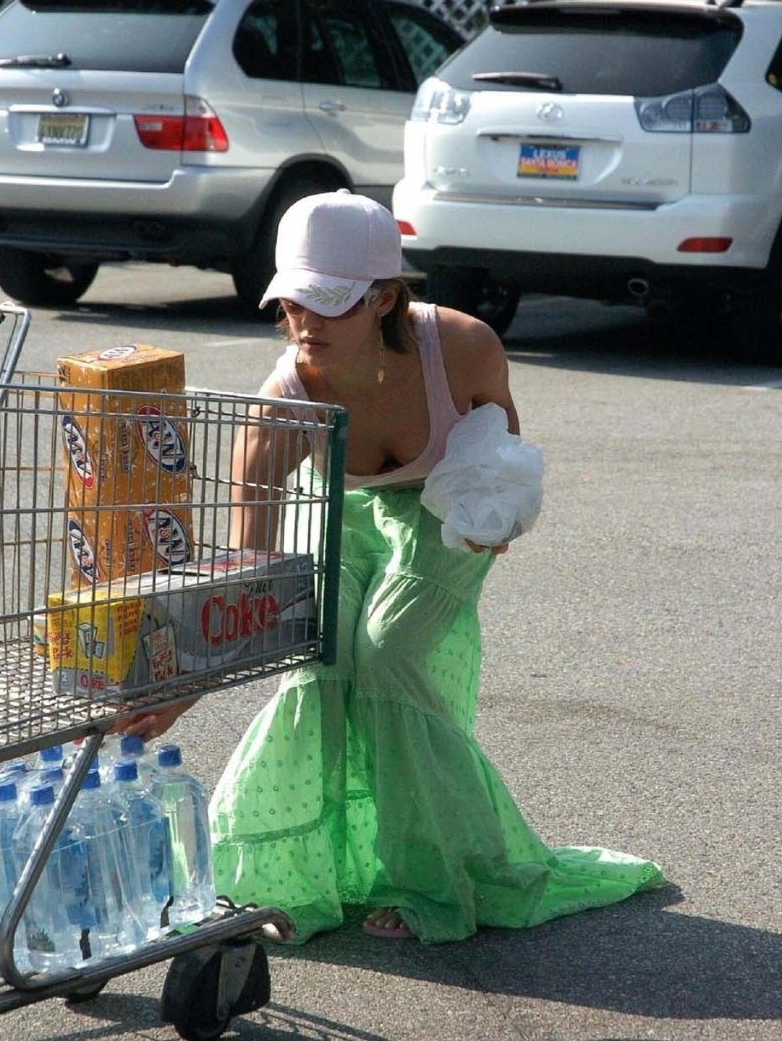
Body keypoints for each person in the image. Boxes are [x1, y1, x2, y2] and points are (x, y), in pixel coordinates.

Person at [132, 190, 664, 943]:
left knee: (387, 655)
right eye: (292, 302)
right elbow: (251, 577)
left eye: (328, 303)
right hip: (334, 500)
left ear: (383, 298)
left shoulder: (465, 347)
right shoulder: (280, 406)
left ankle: (430, 874)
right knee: (319, 656)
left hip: (441, 502)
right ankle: (291, 877)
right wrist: (184, 690)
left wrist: (493, 520)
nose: (304, 323)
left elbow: (499, 463)